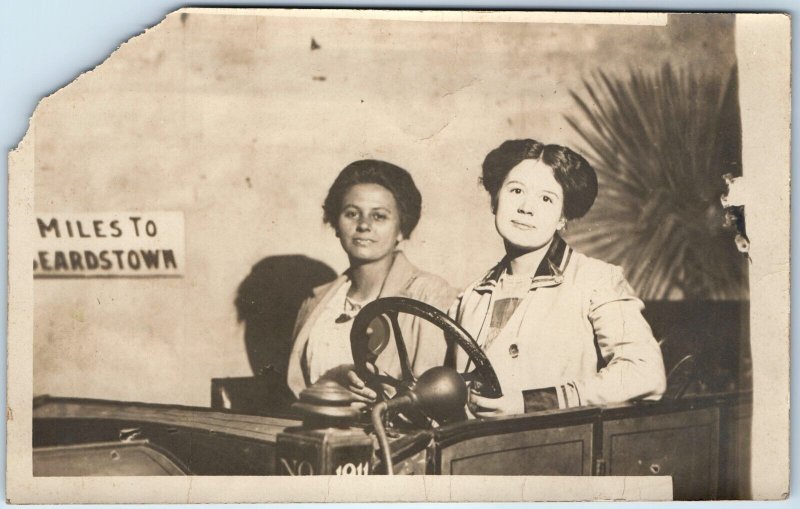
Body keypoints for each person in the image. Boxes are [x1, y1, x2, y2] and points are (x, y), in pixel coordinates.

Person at [456, 139, 667, 417]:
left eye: (546, 198)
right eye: (516, 190)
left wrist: (533, 403)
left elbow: (645, 373)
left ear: (562, 218)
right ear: (495, 201)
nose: (526, 207)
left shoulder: (597, 281)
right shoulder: (471, 297)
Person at [286, 159, 457, 398]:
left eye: (379, 216)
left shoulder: (429, 295)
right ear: (336, 223)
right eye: (352, 213)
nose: (364, 225)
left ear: (401, 229)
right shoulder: (316, 301)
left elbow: (435, 397)